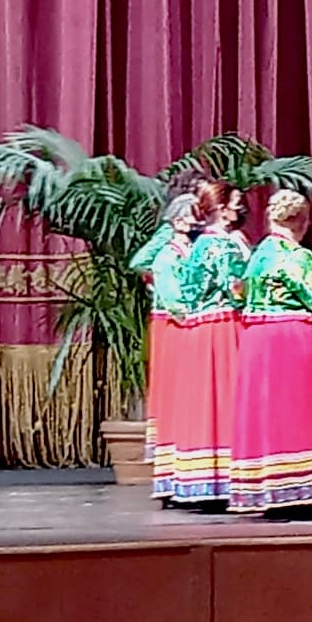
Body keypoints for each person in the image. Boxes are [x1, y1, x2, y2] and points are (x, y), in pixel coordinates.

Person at [229, 190, 312, 515]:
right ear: (300, 220)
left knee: (267, 413)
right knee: (298, 410)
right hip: (292, 338)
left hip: (257, 338)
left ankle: (268, 489)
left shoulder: (257, 254)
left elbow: (238, 296)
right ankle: (300, 492)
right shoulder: (298, 256)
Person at [156, 180, 250, 506]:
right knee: (224, 399)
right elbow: (238, 290)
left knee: (203, 402)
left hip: (198, 330)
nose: (241, 207)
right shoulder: (223, 246)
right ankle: (224, 481)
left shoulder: (197, 246)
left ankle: (199, 481)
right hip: (224, 328)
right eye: (236, 201)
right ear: (223, 209)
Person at [128, 183, 201, 501]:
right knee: (173, 392)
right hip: (171, 321)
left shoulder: (199, 245)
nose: (193, 219)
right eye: (187, 214)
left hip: (189, 320)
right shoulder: (167, 246)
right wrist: (157, 286)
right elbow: (140, 263)